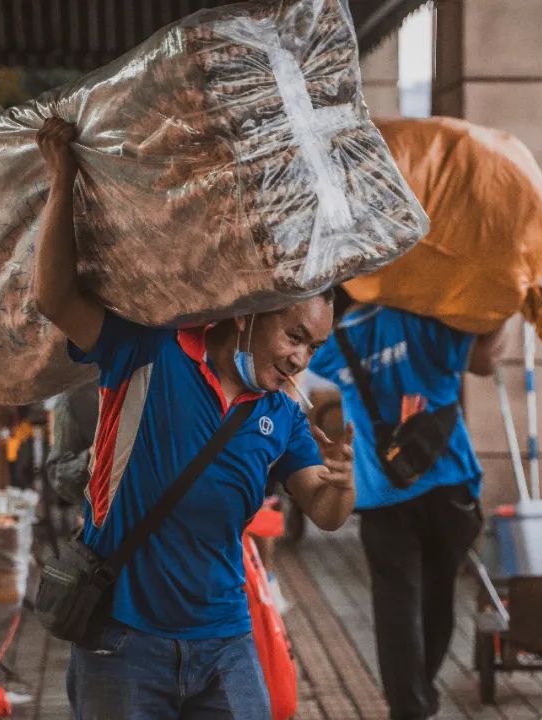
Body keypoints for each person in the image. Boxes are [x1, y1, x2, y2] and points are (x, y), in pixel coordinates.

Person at [32, 116, 355, 720]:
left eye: (312, 349)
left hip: (226, 643)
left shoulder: (281, 415)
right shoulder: (151, 350)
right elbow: (55, 297)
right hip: (121, 639)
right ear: (251, 312)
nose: (299, 358)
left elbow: (327, 513)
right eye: (293, 335)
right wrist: (62, 178)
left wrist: (344, 482)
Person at [308, 292, 504, 720]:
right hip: (447, 483)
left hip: (380, 491)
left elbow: (314, 364)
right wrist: (502, 309)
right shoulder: (427, 318)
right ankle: (420, 692)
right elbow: (483, 361)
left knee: (394, 605)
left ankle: (408, 707)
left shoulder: (337, 340)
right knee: (438, 597)